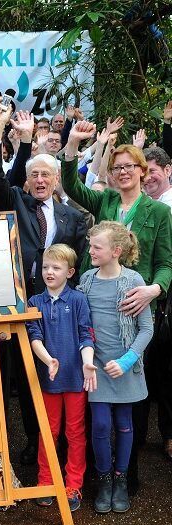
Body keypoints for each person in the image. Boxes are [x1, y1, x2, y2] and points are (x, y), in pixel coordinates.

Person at [62, 121, 172, 492]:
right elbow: (72, 184)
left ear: (143, 170)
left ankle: (129, 472)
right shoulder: (106, 200)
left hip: (138, 307)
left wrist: (154, 289)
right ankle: (102, 472)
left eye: (130, 167)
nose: (123, 173)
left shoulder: (158, 213)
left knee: (133, 399)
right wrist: (77, 144)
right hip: (100, 306)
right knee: (99, 398)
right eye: (118, 167)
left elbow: (167, 262)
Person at [0, 101, 87, 466]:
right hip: (24, 300)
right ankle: (34, 438)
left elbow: (81, 259)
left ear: (57, 179)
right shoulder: (16, 202)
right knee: (28, 373)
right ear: (27, 181)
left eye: (47, 175)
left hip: (63, 305)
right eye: (35, 176)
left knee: (62, 367)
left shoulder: (74, 218)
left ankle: (66, 443)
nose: (41, 181)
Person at [77, 221, 153, 513]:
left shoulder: (133, 281)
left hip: (126, 368)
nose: (91, 250)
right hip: (96, 369)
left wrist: (126, 361)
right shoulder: (87, 280)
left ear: (116, 251)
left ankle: (121, 479)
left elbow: (146, 329)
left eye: (97, 246)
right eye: (91, 244)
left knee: (124, 425)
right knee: (100, 425)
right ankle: (104, 478)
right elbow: (83, 324)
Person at [26, 244, 96, 512]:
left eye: (56, 267)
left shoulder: (78, 299)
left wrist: (87, 363)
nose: (49, 272)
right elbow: (35, 337)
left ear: (70, 271)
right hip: (49, 379)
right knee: (49, 432)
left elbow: (85, 334)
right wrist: (49, 361)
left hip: (76, 379)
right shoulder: (35, 302)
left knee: (75, 432)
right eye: (45, 267)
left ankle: (73, 484)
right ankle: (46, 480)